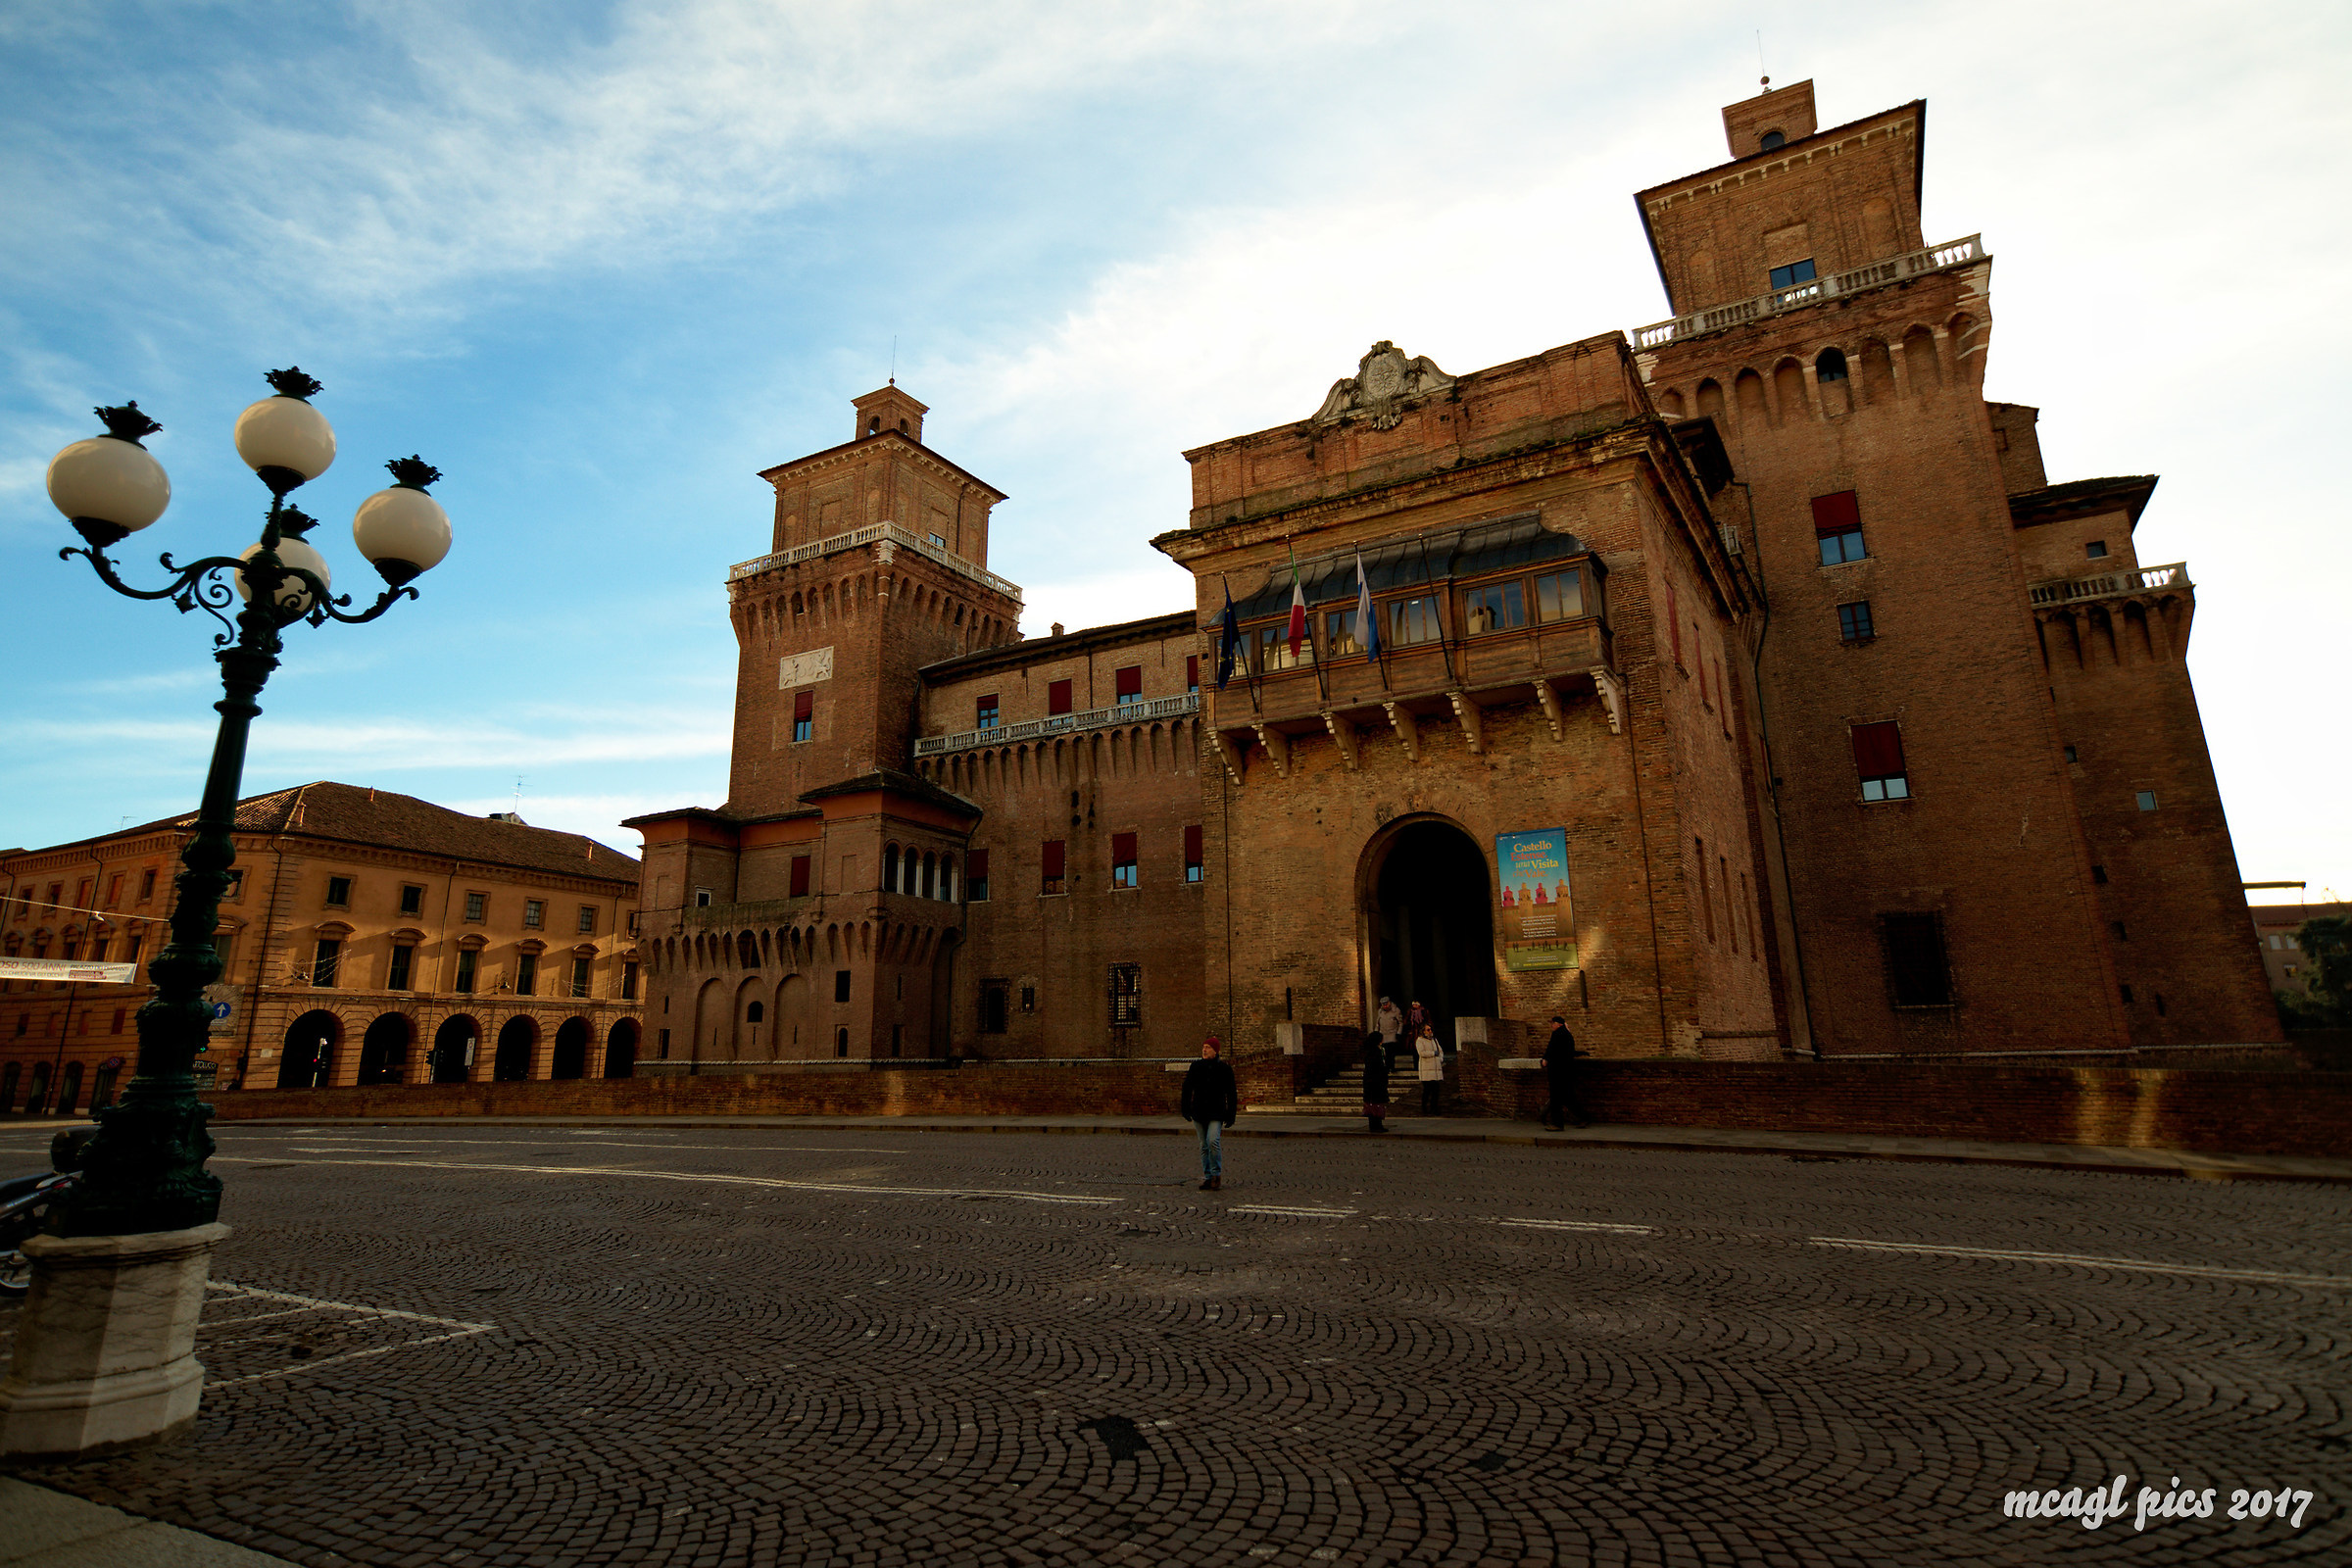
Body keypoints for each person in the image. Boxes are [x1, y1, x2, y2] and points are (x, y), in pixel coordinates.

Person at [1180, 1035, 1238, 1191]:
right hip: (1199, 1111)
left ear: (1216, 1051)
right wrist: (1185, 1108)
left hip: (1216, 1111)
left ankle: (1216, 1174)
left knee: (1213, 1141)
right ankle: (1208, 1177)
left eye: (1208, 1047)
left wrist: (1231, 1113)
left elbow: (1231, 1092)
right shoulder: (1196, 1066)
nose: (1205, 1050)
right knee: (1204, 1145)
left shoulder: (1224, 1069)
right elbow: (1187, 1088)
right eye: (1204, 1047)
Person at [1542, 1015, 1590, 1130]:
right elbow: (1569, 1051)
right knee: (1568, 1097)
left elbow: (1552, 1049)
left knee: (1556, 1098)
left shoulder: (1558, 1034)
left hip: (1558, 1071)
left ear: (1559, 1024)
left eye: (1553, 1023)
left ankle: (1557, 1124)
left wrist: (1545, 1059)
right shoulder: (1566, 1034)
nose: (1551, 1025)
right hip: (1566, 1071)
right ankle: (1584, 1117)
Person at [1359, 1030, 1391, 1134]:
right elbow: (1375, 1067)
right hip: (1374, 1082)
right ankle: (1375, 1125)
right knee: (1374, 1104)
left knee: (1375, 1103)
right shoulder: (1374, 1052)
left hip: (1374, 1081)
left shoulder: (1376, 1051)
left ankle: (1376, 1125)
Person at [1413, 1021, 1444, 1115]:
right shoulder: (1420, 1040)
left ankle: (1434, 1109)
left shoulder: (1434, 1040)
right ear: (1423, 1031)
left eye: (1430, 1029)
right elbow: (1422, 1053)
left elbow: (1440, 1050)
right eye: (1428, 1030)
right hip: (1426, 1069)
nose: (1430, 1031)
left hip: (1436, 1069)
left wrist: (1440, 1059)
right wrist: (1432, 1053)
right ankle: (1424, 1108)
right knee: (1427, 1091)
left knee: (1436, 1092)